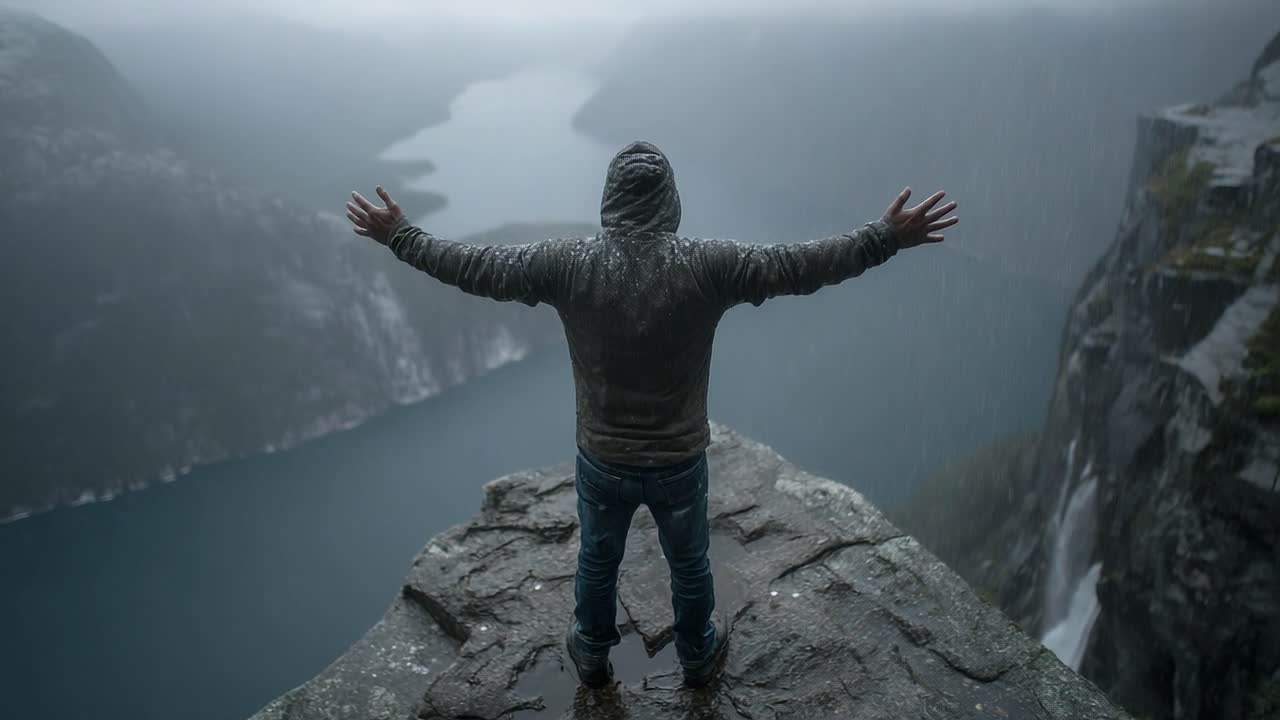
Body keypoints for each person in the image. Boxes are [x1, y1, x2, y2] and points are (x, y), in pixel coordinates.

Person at [344, 141, 957, 690]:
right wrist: (883, 237)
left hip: (602, 458)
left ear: (610, 200)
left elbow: (474, 268)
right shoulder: (709, 264)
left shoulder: (567, 263)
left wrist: (402, 236)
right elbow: (801, 266)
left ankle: (589, 654)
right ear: (670, 203)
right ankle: (696, 655)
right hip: (679, 459)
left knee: (596, 559)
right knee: (689, 562)